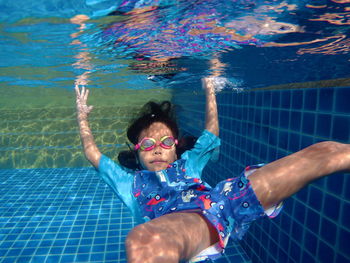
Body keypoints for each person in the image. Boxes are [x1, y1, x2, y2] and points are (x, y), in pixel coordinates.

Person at [75, 78, 350, 262]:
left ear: (176, 147)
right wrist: (82, 117)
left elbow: (211, 132)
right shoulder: (128, 182)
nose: (157, 149)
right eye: (147, 144)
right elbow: (92, 153)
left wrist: (210, 91)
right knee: (145, 242)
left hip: (229, 199)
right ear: (136, 150)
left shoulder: (189, 163)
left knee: (324, 152)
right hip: (187, 223)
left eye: (166, 142)